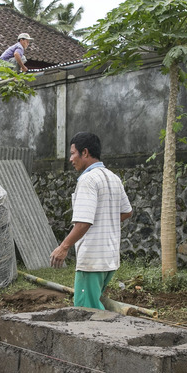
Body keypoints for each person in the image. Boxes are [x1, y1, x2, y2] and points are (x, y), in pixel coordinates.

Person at [49, 131, 133, 310]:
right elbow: (127, 212)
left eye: (72, 153)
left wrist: (63, 247)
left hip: (92, 260)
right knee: (96, 306)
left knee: (85, 311)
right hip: (109, 259)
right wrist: (105, 220)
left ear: (84, 153)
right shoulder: (113, 177)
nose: (71, 159)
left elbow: (83, 222)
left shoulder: (87, 180)